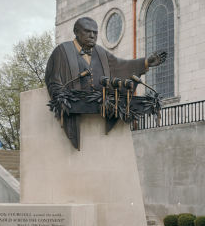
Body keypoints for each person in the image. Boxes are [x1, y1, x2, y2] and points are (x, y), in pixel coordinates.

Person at [45, 17, 166, 150]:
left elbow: (120, 65)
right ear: (76, 31)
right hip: (75, 109)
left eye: (95, 32)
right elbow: (54, 81)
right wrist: (62, 101)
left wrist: (145, 63)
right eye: (87, 31)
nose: (92, 35)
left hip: (102, 108)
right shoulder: (62, 51)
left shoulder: (100, 52)